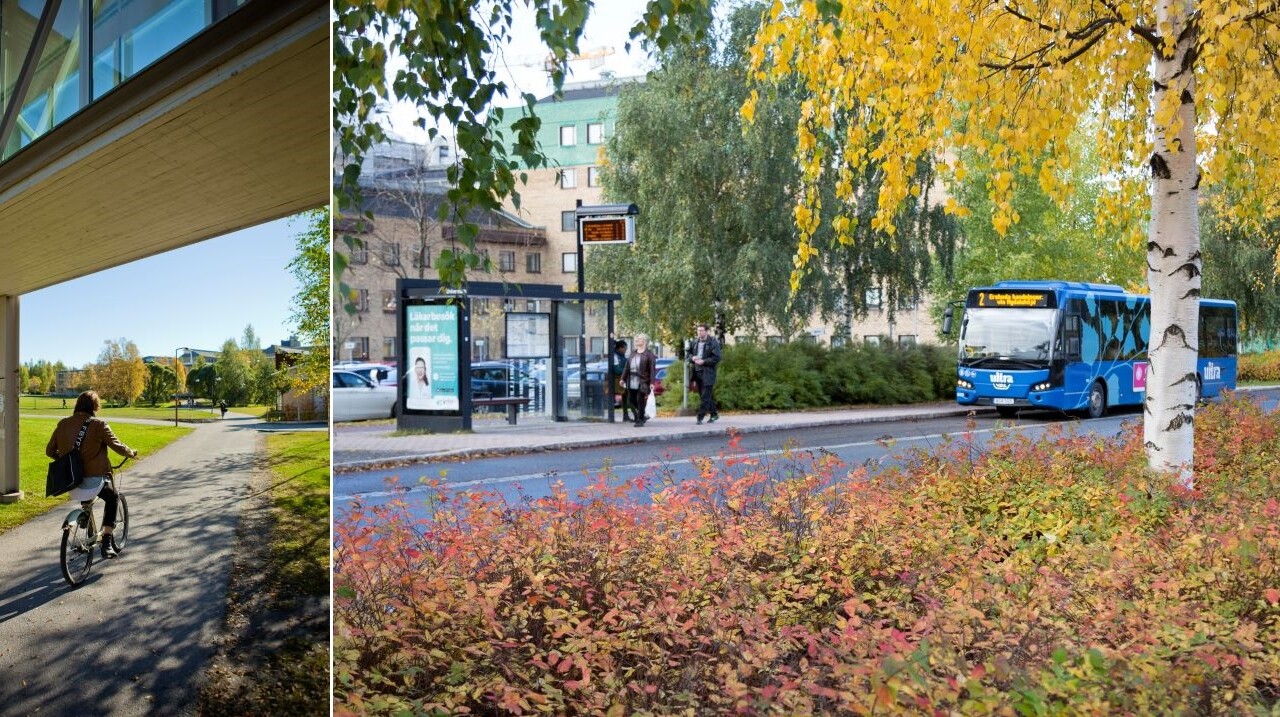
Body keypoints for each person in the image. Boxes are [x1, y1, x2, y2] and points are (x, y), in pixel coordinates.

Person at [46, 391, 139, 559]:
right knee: (113, 497)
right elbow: (117, 446)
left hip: (72, 482)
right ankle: (107, 541)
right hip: (94, 481)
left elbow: (50, 451)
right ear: (95, 407)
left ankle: (85, 517)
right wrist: (131, 452)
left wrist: (69, 462)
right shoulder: (98, 424)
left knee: (88, 494)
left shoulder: (63, 424)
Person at [689, 322, 722, 424]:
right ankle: (714, 414)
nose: (699, 332)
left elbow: (717, 358)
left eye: (701, 330)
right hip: (697, 372)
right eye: (698, 330)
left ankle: (700, 418)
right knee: (704, 396)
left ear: (706, 331)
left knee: (705, 397)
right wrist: (692, 358)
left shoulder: (713, 342)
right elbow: (688, 354)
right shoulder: (694, 342)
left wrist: (704, 361)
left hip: (708, 373)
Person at [620, 333, 657, 428]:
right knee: (631, 399)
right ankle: (644, 414)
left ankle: (640, 420)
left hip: (643, 380)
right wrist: (623, 378)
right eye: (637, 339)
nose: (637, 340)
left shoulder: (649, 355)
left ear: (644, 341)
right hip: (631, 379)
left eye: (639, 338)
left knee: (640, 399)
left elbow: (652, 370)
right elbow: (627, 367)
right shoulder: (633, 353)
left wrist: (652, 382)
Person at [609, 339, 633, 422]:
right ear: (620, 348)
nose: (625, 351)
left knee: (626, 397)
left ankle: (626, 415)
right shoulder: (615, 356)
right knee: (628, 397)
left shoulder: (621, 356)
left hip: (622, 379)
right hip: (617, 380)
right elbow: (616, 370)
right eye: (624, 349)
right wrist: (627, 370)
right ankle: (635, 415)